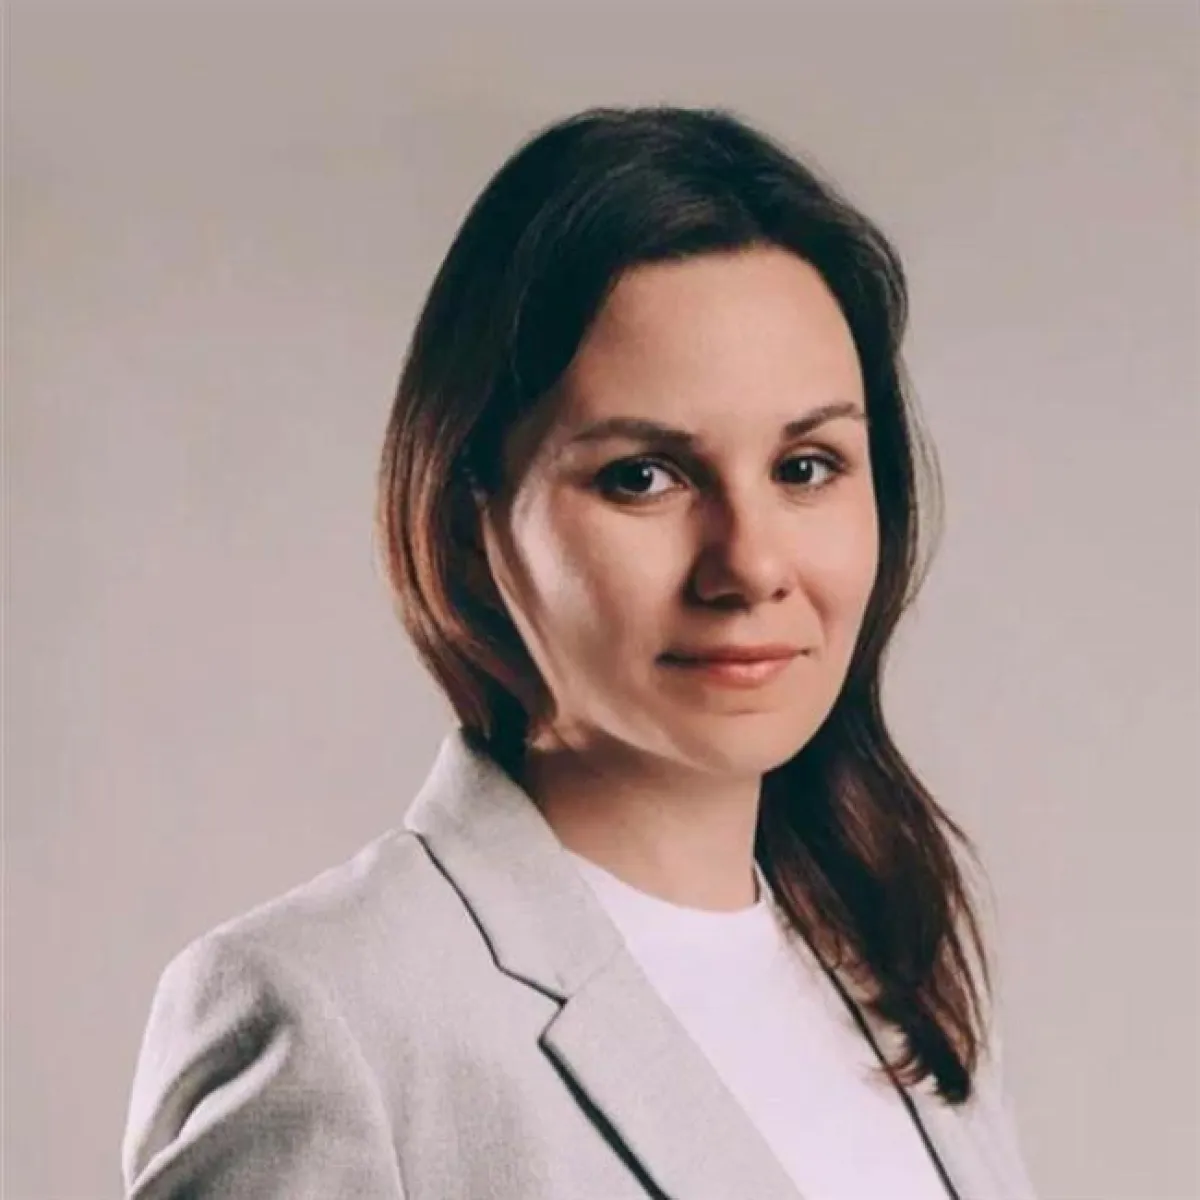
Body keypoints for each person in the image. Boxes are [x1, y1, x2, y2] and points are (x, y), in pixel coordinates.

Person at [121, 105, 1039, 1199]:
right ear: (468, 524)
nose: (750, 566)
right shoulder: (332, 1015)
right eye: (642, 477)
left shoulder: (897, 973)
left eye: (806, 467)